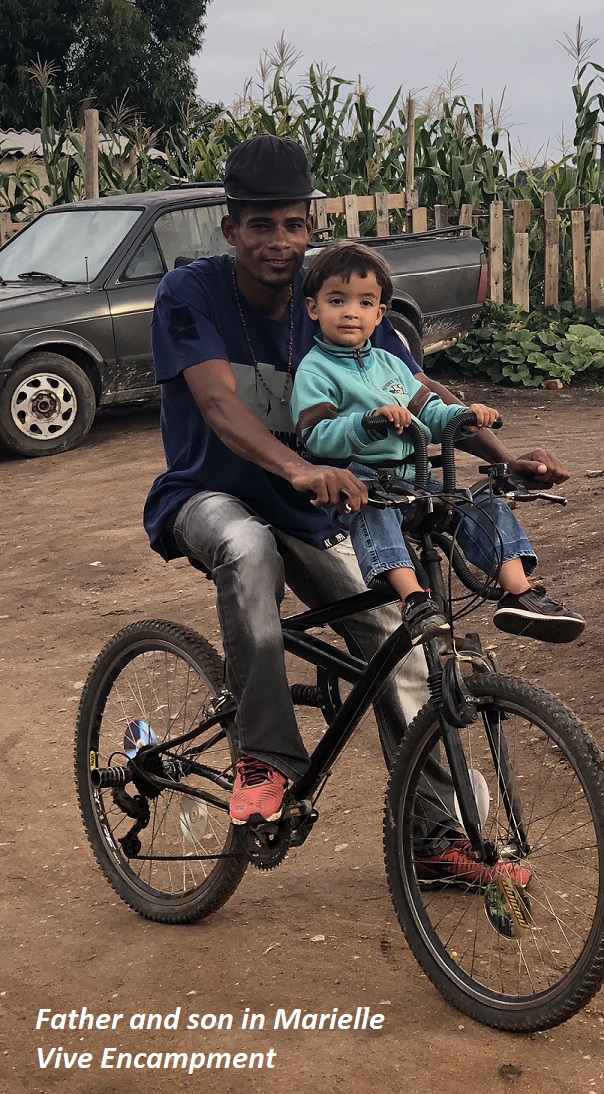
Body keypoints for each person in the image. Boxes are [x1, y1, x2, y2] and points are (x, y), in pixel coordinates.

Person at [142, 133, 576, 884]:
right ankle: (263, 759)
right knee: (248, 550)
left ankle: (433, 838)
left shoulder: (334, 295)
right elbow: (217, 404)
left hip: (315, 510)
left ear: (310, 225)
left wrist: (506, 456)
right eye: (260, 225)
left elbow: (419, 393)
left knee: (397, 639)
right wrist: (299, 466)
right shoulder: (191, 294)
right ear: (231, 228)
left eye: (293, 224)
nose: (279, 242)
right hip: (208, 494)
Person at [292, 241, 586, 646]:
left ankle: (519, 592)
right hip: (361, 483)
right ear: (313, 308)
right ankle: (414, 600)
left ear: (380, 314)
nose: (350, 312)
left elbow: (430, 412)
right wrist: (368, 422)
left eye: (364, 303)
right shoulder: (315, 370)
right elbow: (316, 434)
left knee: (481, 504)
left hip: (415, 480)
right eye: (337, 300)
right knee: (372, 512)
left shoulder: (392, 365)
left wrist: (464, 417)